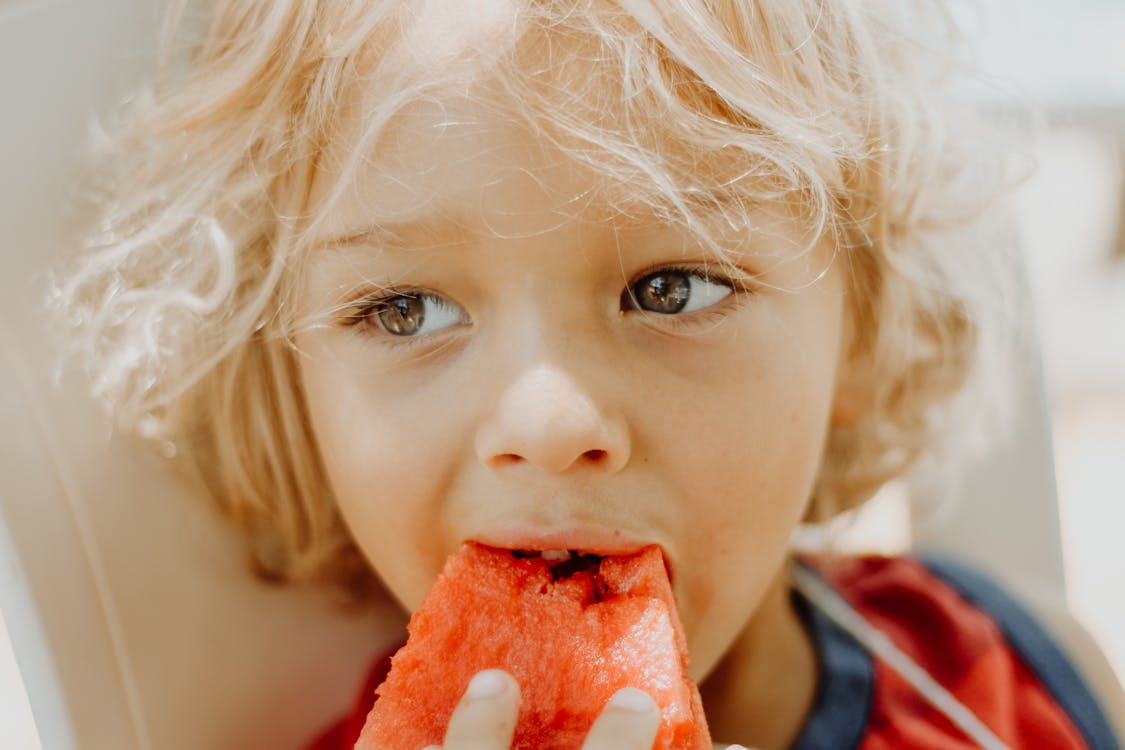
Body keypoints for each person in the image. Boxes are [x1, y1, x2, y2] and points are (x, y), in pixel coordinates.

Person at [56, 0, 1124, 748]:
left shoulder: (1025, 678)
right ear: (292, 396)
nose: (550, 416)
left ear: (858, 327)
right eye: (407, 310)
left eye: (671, 288)